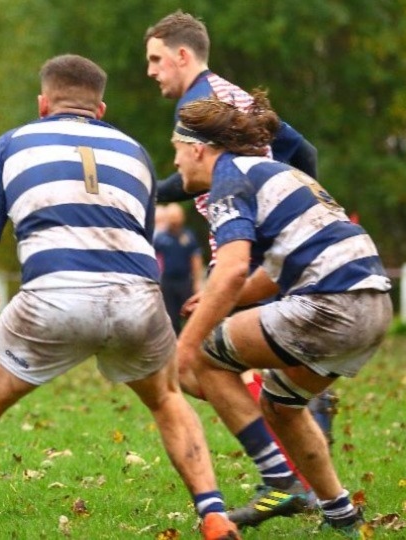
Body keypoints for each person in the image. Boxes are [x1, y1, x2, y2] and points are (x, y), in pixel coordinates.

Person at [0, 54, 240, 540]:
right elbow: (141, 242)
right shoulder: (135, 152)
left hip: (54, 298)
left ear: (43, 104)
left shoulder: (11, 145)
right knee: (167, 398)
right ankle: (212, 512)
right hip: (138, 299)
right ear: (100, 109)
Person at [145, 10, 336, 527]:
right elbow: (303, 151)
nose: (151, 71)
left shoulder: (201, 104)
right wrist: (301, 214)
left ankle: (290, 479)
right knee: (247, 366)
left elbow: (194, 182)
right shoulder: (226, 94)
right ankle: (294, 475)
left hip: (248, 252)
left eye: (156, 60)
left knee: (203, 361)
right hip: (257, 249)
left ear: (183, 56)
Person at [171, 91, 391, 536]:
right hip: (374, 304)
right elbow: (271, 276)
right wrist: (225, 301)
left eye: (175, 153)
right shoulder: (275, 173)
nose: (175, 165)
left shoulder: (228, 179)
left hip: (330, 303)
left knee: (202, 358)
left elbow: (232, 268)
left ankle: (279, 477)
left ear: (197, 148)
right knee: (281, 404)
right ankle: (340, 513)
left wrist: (188, 341)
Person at [154, 203, 204, 333]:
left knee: (192, 314)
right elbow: (155, 260)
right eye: (172, 218)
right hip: (167, 282)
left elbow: (195, 259)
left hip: (185, 281)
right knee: (171, 317)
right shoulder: (160, 238)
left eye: (177, 217)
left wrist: (198, 281)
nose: (175, 221)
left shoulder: (189, 236)